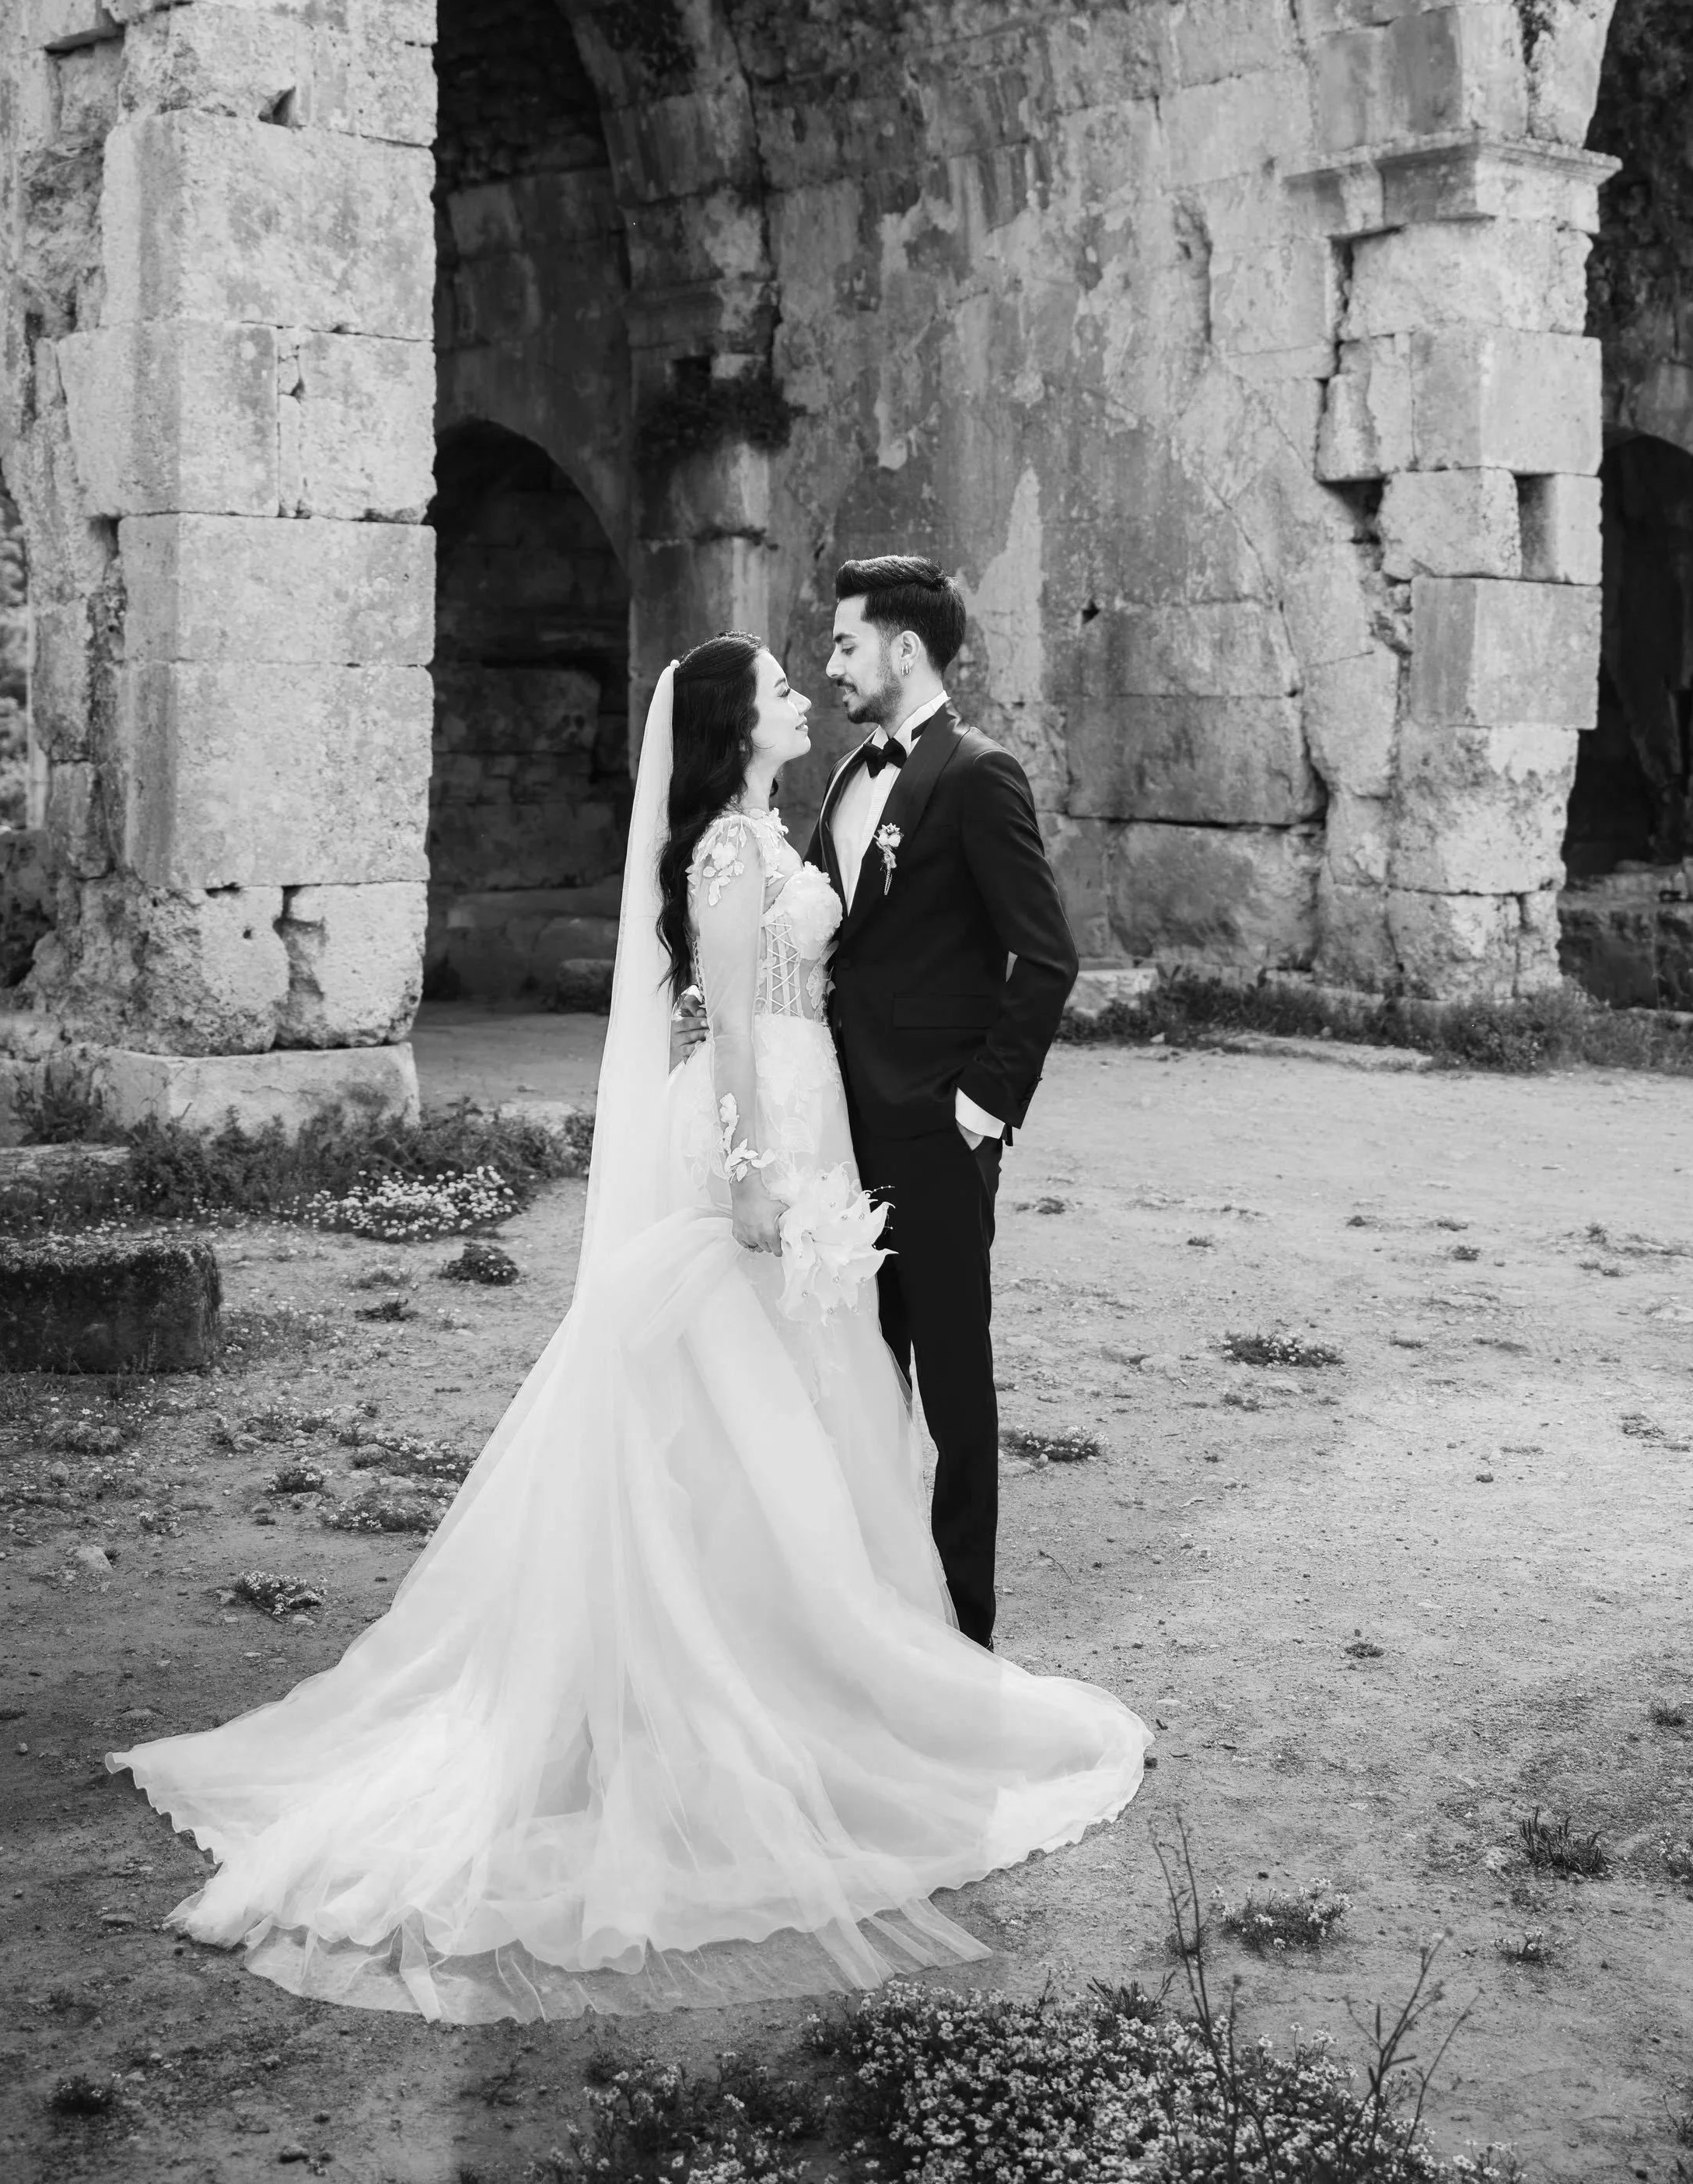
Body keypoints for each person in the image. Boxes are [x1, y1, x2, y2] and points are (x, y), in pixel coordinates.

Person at [105, 635, 1146, 2025]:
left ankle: (826, 1651)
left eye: (810, 672)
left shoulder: (785, 820)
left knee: (817, 1390)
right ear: (735, 728)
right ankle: (737, 1674)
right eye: (780, 686)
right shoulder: (727, 852)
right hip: (766, 1122)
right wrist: (754, 1163)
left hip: (823, 1108)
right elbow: (719, 1023)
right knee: (734, 1401)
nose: (801, 694)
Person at [811, 555, 1079, 1647]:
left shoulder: (978, 774)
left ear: (902, 649)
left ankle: (965, 1636)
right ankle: (875, 1616)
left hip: (935, 1132)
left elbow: (1046, 954)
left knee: (956, 1390)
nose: (828, 663)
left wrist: (980, 1106)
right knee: (860, 1381)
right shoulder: (841, 778)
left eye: (844, 644)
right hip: (836, 1131)